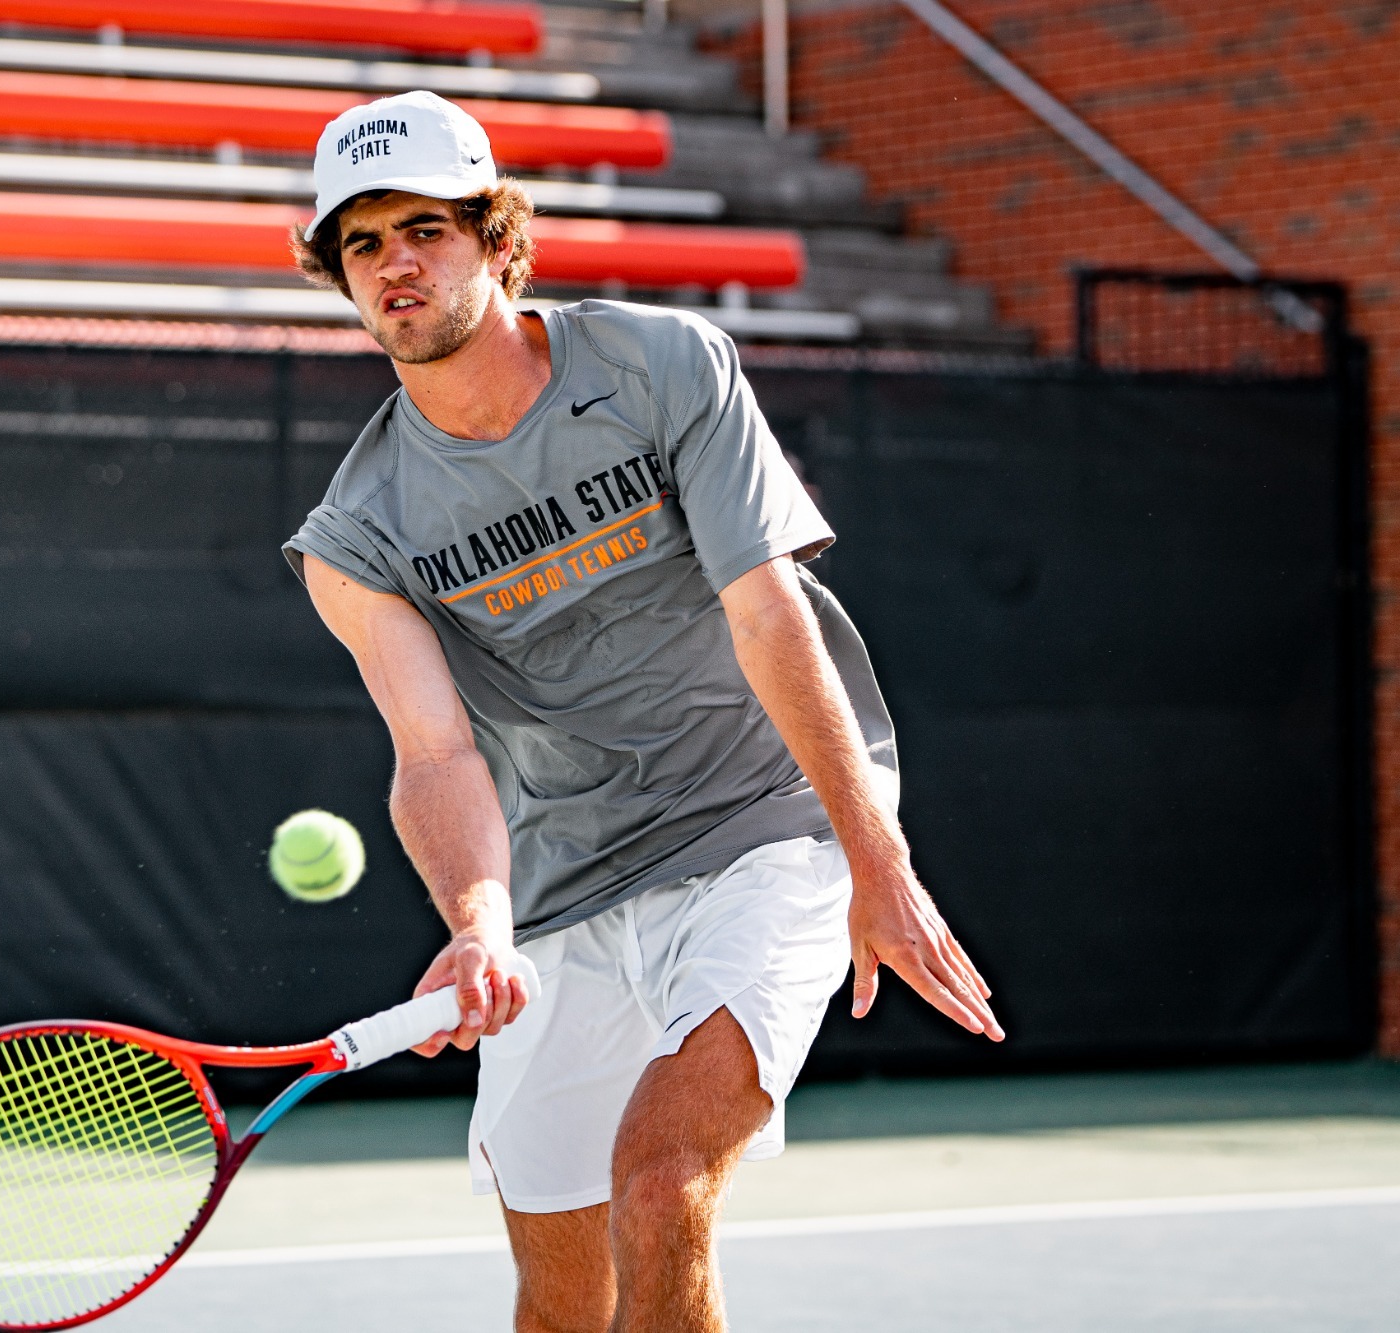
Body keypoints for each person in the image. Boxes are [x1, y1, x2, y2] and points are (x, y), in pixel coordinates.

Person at [283, 91, 1003, 1333]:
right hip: (562, 881)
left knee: (662, 1185)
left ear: (496, 239)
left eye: (425, 229)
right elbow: (435, 752)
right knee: (561, 1303)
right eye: (362, 242)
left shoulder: (661, 366)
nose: (395, 263)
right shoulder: (355, 533)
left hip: (765, 825)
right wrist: (477, 924)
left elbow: (765, 612)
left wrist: (875, 861)